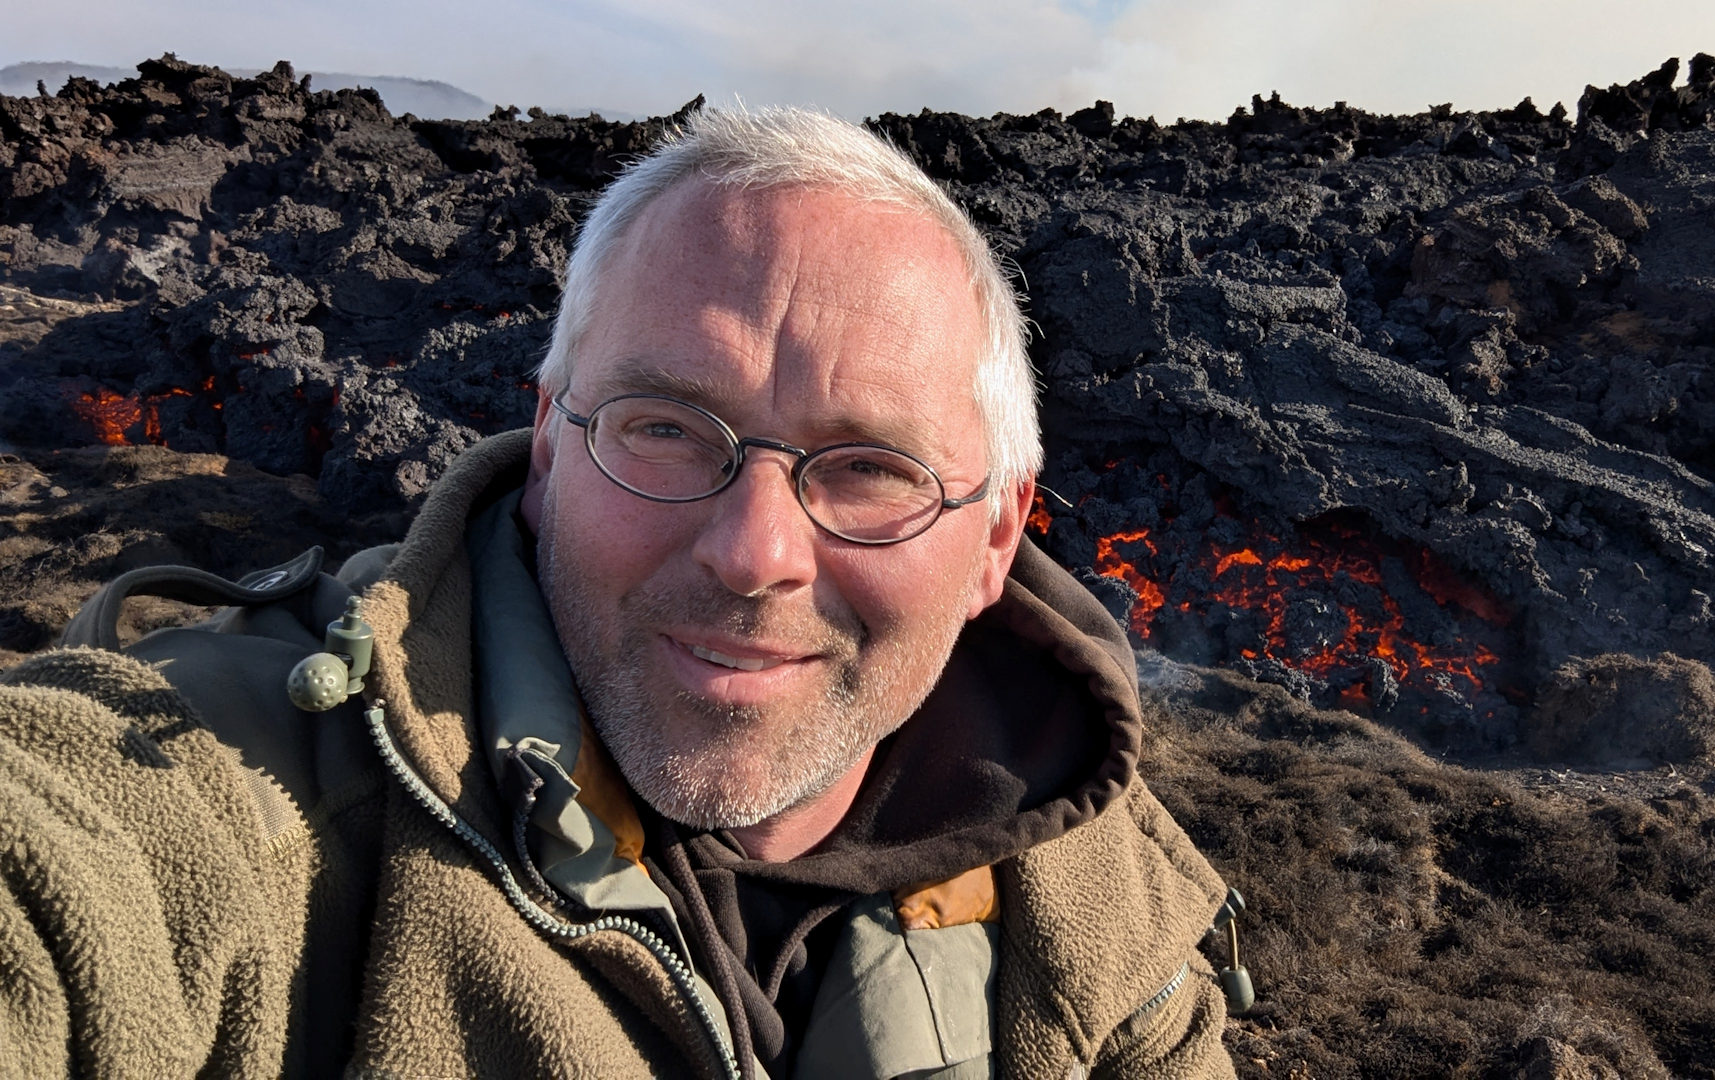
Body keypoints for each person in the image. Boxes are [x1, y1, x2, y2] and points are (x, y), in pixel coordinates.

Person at [0, 106, 1235, 1078]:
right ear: (547, 440)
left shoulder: (1093, 876)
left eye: (871, 469)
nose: (755, 554)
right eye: (664, 428)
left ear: (994, 541)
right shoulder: (259, 796)